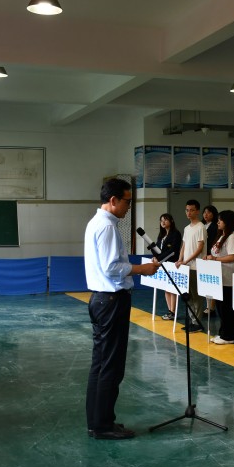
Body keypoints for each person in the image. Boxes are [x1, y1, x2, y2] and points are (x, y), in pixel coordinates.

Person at [84, 178, 159, 440]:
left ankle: (98, 421)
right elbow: (111, 268)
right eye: (127, 201)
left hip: (103, 300)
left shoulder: (98, 223)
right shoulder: (106, 227)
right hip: (111, 301)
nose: (129, 206)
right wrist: (143, 269)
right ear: (113, 200)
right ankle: (103, 426)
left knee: (101, 364)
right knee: (111, 366)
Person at [206, 210, 234, 345]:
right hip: (219, 276)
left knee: (226, 307)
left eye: (220, 220)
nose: (218, 222)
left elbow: (233, 257)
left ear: (227, 222)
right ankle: (223, 332)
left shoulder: (232, 237)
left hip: (228, 277)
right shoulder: (222, 235)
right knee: (220, 307)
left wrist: (215, 259)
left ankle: (229, 335)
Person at [176, 199, 207, 331]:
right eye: (187, 210)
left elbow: (200, 248)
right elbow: (183, 246)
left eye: (192, 210)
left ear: (197, 211)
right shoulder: (186, 228)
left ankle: (197, 322)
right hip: (186, 266)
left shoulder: (201, 227)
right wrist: (180, 259)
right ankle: (192, 320)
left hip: (196, 267)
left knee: (196, 296)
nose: (189, 213)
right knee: (187, 295)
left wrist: (186, 260)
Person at [156, 213, 182, 321]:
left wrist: (160, 258)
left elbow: (173, 250)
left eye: (165, 220)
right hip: (163, 264)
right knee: (166, 288)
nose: (163, 222)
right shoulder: (161, 235)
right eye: (161, 220)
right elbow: (157, 249)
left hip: (172, 263)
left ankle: (173, 311)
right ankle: (169, 310)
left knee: (172, 288)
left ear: (171, 221)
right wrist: (155, 257)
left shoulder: (176, 234)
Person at [202, 205, 219, 314]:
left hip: (211, 256)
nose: (206, 214)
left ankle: (211, 307)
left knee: (211, 282)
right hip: (203, 257)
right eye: (204, 212)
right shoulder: (202, 225)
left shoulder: (215, 226)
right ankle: (208, 306)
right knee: (205, 282)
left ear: (214, 214)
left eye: (208, 212)